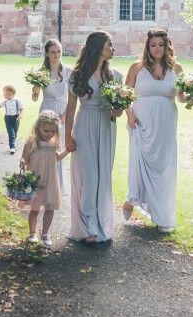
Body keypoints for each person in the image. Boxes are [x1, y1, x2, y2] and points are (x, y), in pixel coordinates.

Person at [123, 29, 188, 232]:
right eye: (153, 45)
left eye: (161, 44)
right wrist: (130, 115)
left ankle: (164, 217)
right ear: (147, 46)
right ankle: (132, 198)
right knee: (139, 164)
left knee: (164, 168)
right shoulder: (136, 68)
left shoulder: (176, 68)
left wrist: (192, 95)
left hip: (166, 125)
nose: (157, 48)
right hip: (142, 124)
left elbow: (181, 97)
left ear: (167, 46)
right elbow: (125, 95)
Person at [64, 31, 123, 244]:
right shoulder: (77, 75)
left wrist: (119, 111)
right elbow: (70, 109)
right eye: (110, 45)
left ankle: (101, 224)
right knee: (89, 177)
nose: (113, 49)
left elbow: (119, 109)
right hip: (85, 123)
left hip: (107, 126)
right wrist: (67, 137)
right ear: (98, 47)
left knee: (103, 177)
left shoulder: (115, 76)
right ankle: (87, 227)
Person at [18, 110, 70, 248]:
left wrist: (67, 150)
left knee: (49, 208)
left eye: (53, 131)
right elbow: (25, 157)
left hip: (50, 180)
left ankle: (45, 233)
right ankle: (32, 233)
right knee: (34, 208)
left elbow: (57, 157)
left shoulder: (54, 141)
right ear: (38, 127)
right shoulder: (32, 141)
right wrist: (23, 161)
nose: (49, 134)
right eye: (46, 131)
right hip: (35, 180)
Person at [31, 38, 72, 194]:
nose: (56, 55)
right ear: (47, 54)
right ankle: (42, 183)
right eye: (53, 52)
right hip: (46, 110)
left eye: (59, 52)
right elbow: (35, 98)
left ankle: (57, 186)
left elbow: (73, 97)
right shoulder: (42, 72)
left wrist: (65, 116)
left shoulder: (68, 71)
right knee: (43, 148)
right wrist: (35, 91)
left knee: (57, 148)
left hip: (62, 111)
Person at [0, 85, 24, 154]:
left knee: (15, 133)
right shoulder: (5, 101)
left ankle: (12, 144)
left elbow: (22, 109)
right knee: (11, 133)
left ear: (9, 93)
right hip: (8, 118)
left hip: (16, 118)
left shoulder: (18, 101)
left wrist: (20, 115)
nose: (3, 94)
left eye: (4, 93)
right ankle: (12, 147)